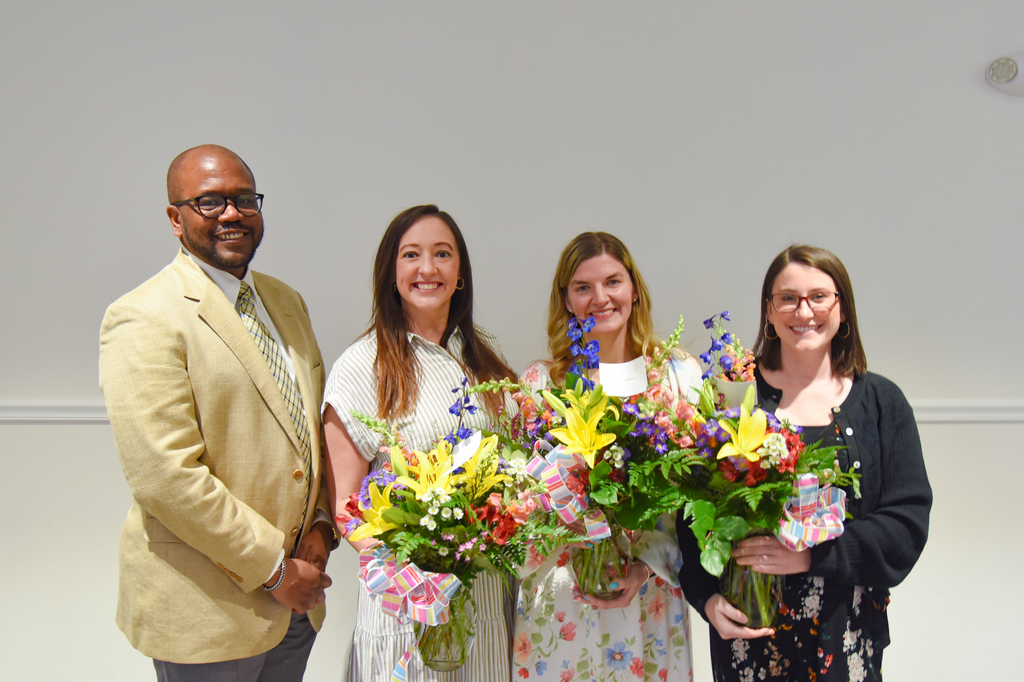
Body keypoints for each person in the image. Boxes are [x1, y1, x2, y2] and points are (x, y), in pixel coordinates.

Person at [99, 144, 335, 682]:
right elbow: (165, 477)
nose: (231, 213)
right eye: (209, 201)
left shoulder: (286, 301)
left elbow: (309, 432)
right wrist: (275, 571)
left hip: (298, 602)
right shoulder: (143, 317)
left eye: (244, 199)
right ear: (174, 219)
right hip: (207, 610)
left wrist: (321, 525)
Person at [677, 245, 932, 681]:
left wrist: (812, 557)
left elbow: (906, 526)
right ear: (770, 312)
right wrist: (706, 599)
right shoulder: (729, 397)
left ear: (842, 308)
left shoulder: (881, 403)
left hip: (846, 633)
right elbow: (690, 518)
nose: (804, 311)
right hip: (748, 635)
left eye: (819, 296)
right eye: (788, 298)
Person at [322, 204, 518, 681]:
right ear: (391, 273)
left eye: (442, 254)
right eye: (411, 255)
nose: (427, 269)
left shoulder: (485, 361)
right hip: (407, 610)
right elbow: (346, 505)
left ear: (460, 274)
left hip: (489, 598)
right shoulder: (360, 365)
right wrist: (418, 575)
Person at [513, 232, 697, 682]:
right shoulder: (540, 384)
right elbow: (519, 500)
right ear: (566, 299)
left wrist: (646, 564)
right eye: (583, 287)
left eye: (613, 282)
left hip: (648, 597)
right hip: (563, 597)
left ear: (634, 289)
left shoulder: (675, 376)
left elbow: (695, 497)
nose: (601, 298)